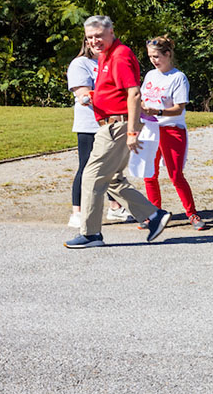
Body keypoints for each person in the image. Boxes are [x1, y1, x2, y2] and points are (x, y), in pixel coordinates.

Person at [64, 16, 172, 248]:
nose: (94, 41)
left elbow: (133, 93)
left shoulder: (119, 55)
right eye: (90, 37)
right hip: (112, 123)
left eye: (99, 36)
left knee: (91, 176)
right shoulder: (106, 56)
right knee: (112, 178)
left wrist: (132, 130)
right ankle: (153, 216)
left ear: (111, 32)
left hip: (117, 125)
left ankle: (91, 234)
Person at [139, 35, 207, 230]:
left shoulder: (178, 77)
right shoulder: (151, 75)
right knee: (149, 173)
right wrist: (142, 106)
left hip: (172, 129)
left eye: (156, 56)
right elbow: (143, 98)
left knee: (175, 174)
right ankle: (154, 214)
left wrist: (158, 111)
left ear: (167, 54)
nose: (153, 60)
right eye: (150, 56)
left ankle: (192, 214)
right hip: (151, 129)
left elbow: (179, 108)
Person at [65, 39, 128, 228]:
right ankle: (77, 212)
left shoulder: (109, 63)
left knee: (112, 167)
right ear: (86, 42)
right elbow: (84, 95)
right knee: (86, 166)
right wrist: (115, 101)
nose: (98, 45)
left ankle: (115, 207)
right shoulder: (80, 64)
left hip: (111, 123)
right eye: (92, 40)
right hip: (89, 124)